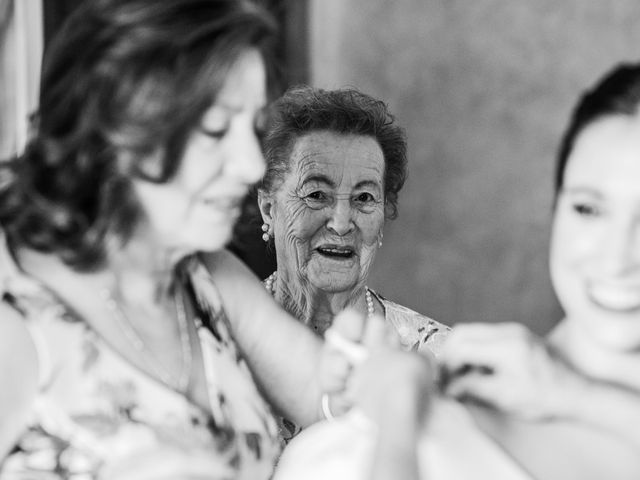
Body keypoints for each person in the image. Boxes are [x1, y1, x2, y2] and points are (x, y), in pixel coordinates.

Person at [0, 1, 336, 478]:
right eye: (216, 130)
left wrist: (390, 379)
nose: (251, 165)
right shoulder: (16, 323)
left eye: (255, 129)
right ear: (120, 131)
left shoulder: (206, 277)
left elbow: (334, 401)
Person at [275, 63, 640, 480]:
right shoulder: (409, 425)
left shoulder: (432, 354)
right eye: (588, 208)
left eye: (364, 198)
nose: (617, 257)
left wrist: (573, 396)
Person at [257, 85, 449, 348]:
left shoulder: (434, 359)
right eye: (316, 195)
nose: (341, 224)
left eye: (364, 198)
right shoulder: (212, 341)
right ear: (268, 209)